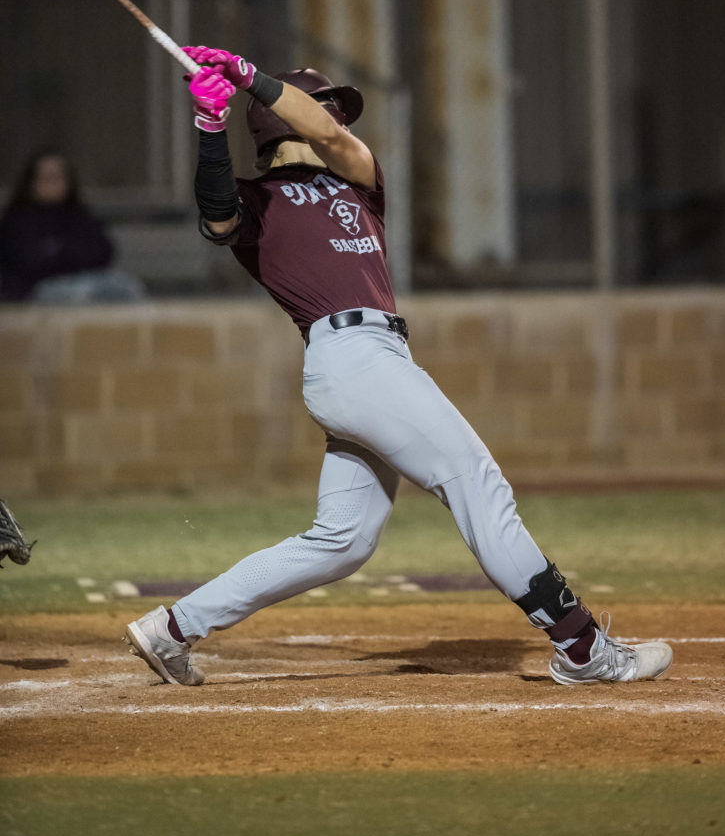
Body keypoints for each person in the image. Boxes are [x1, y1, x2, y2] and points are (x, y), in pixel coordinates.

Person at [124, 48, 673, 688]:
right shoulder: (257, 199)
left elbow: (333, 139)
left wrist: (250, 77)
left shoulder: (358, 179)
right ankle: (582, 648)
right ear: (282, 122)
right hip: (349, 360)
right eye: (327, 105)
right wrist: (210, 129)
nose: (338, 119)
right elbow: (218, 216)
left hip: (375, 362)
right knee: (477, 484)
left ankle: (171, 629)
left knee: (343, 541)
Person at [0, 149, 144, 303]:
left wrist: (60, 252)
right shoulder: (17, 221)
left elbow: (103, 251)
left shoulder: (79, 216)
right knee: (84, 292)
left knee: (125, 286)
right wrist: (66, 256)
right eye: (47, 178)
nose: (53, 184)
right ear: (31, 182)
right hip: (33, 290)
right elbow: (30, 262)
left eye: (58, 177)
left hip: (81, 280)